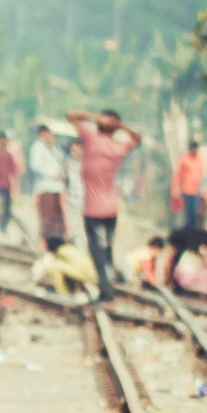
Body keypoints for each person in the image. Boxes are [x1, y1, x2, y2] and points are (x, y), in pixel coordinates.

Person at [67, 107, 143, 301]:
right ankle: (107, 289)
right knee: (107, 252)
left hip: (92, 210)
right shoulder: (118, 148)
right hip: (111, 209)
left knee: (97, 254)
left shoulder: (91, 139)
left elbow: (71, 114)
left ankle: (106, 294)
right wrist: (119, 125)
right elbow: (137, 137)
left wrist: (96, 117)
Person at [26, 125, 66, 248]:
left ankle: (57, 242)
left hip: (57, 188)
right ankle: (45, 242)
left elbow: (61, 161)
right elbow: (35, 166)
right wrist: (52, 175)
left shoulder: (53, 148)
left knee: (57, 217)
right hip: (45, 187)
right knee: (47, 217)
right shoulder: (37, 147)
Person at [0, 130, 18, 234]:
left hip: (5, 183)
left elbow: (13, 169)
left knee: (7, 206)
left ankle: (4, 225)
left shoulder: (8, 155)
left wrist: (14, 182)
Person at [172, 140, 204, 230]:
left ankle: (193, 232)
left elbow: (201, 175)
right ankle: (187, 232)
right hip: (186, 190)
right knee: (188, 214)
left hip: (196, 191)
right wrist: (176, 190)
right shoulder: (184, 159)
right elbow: (178, 175)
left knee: (195, 214)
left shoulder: (200, 160)